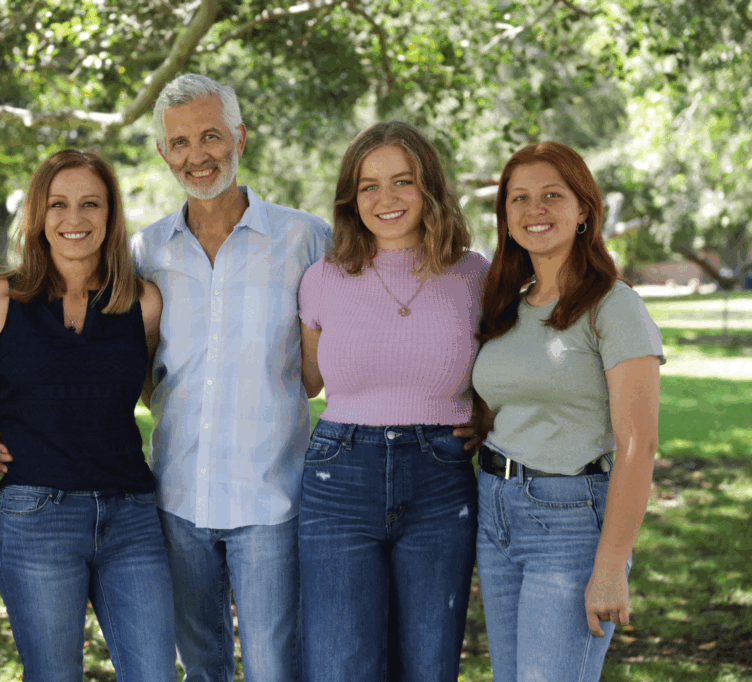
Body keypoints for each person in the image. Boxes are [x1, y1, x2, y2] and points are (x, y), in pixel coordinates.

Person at [129, 73, 332, 682]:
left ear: (239, 137)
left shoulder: (305, 239)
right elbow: (138, 370)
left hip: (272, 496)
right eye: (181, 143)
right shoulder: (145, 252)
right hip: (178, 493)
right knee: (202, 666)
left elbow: (319, 374)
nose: (198, 155)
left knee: (275, 668)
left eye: (211, 136)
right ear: (164, 153)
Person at [0, 149, 173, 682]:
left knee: (151, 672)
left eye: (90, 204)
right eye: (58, 204)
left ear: (110, 214)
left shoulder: (143, 303)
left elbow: (153, 389)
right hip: (37, 514)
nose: (74, 219)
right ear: (38, 216)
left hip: (131, 514)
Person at [297, 121, 487, 681]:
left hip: (441, 478)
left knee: (428, 664)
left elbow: (506, 366)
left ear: (429, 188)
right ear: (351, 199)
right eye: (369, 186)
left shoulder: (475, 274)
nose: (386, 198)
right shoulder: (322, 278)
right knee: (338, 665)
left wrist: (486, 413)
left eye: (402, 181)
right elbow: (308, 380)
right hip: (339, 477)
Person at [471, 141, 663, 681]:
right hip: (496, 511)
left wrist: (609, 567)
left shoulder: (614, 305)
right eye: (520, 198)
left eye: (552, 195)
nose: (536, 209)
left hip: (572, 522)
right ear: (505, 217)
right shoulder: (510, 303)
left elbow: (639, 444)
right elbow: (510, 400)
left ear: (584, 210)